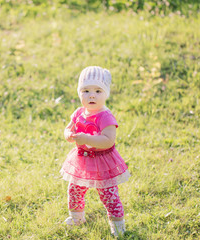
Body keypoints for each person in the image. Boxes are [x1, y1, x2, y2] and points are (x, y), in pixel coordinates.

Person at [60, 66, 131, 237]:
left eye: (98, 91)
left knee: (108, 194)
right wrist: (69, 134)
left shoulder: (105, 117)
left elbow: (108, 140)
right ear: (79, 93)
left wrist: (86, 139)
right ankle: (77, 218)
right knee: (75, 189)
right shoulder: (78, 112)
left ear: (106, 93)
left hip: (102, 161)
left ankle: (117, 224)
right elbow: (68, 129)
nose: (92, 95)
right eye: (86, 90)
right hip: (82, 159)